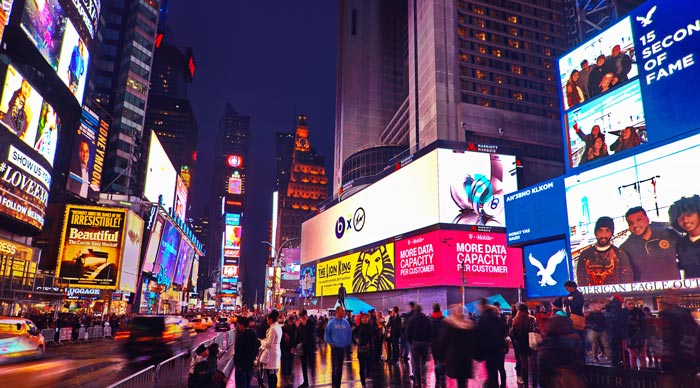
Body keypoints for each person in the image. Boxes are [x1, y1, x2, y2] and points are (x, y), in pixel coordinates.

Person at [620, 206, 681, 282]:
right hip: (645, 293)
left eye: (639, 220)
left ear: (647, 219)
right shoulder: (625, 248)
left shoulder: (668, 234)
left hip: (673, 290)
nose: (635, 225)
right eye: (631, 223)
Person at [576, 216, 634, 286]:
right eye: (600, 230)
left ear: (612, 233)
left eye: (607, 230)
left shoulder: (620, 255)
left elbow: (627, 282)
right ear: (595, 233)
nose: (603, 235)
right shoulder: (585, 255)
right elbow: (581, 282)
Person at [538, 315, 585, 388]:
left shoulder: (550, 344)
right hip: (571, 381)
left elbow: (544, 369)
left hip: (556, 382)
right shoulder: (574, 340)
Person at [476, 299, 508, 388]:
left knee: (492, 372)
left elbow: (479, 335)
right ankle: (503, 384)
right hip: (500, 348)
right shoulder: (498, 318)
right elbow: (504, 329)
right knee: (501, 368)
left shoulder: (483, 319)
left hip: (489, 350)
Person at [442, 306, 475, 388]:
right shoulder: (469, 325)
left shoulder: (451, 326)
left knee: (460, 379)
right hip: (466, 357)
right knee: (463, 381)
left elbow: (444, 341)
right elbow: (474, 342)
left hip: (455, 357)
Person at [669, 195, 700, 278]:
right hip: (692, 290)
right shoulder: (681, 244)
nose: (685, 220)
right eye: (680, 217)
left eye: (689, 215)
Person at [510, 304, 539, 388]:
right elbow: (536, 330)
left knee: (524, 366)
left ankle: (526, 384)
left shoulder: (515, 320)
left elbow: (513, 334)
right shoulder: (532, 319)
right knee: (534, 366)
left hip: (521, 346)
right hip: (532, 344)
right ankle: (534, 384)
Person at [325, 306, 352, 388]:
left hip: (342, 348)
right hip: (335, 348)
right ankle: (334, 384)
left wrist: (347, 343)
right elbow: (326, 334)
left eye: (343, 311)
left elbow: (349, 334)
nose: (344, 312)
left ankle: (338, 385)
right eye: (342, 311)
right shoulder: (331, 323)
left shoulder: (346, 323)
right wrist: (331, 343)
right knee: (335, 367)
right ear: (337, 312)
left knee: (340, 368)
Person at [406, 304, 431, 388]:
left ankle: (418, 381)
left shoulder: (411, 319)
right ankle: (423, 376)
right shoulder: (426, 318)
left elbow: (408, 331)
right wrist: (428, 341)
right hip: (424, 343)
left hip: (415, 343)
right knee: (423, 361)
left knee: (416, 362)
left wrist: (410, 341)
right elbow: (429, 330)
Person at [234, 317, 260, 388]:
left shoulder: (241, 337)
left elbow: (238, 352)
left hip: (241, 366)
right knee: (247, 383)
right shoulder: (254, 334)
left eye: (239, 325)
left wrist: (238, 365)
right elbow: (257, 346)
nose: (238, 327)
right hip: (250, 364)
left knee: (241, 384)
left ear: (241, 325)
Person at [353, 313, 378, 387]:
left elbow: (376, 334)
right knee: (362, 366)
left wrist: (371, 341)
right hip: (361, 349)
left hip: (370, 348)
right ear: (361, 319)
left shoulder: (372, 327)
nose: (365, 319)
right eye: (363, 318)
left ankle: (367, 375)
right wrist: (356, 342)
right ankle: (363, 382)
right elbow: (353, 334)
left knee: (369, 365)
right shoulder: (358, 327)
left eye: (366, 318)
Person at [623, 299, 647, 369]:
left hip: (639, 335)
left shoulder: (639, 311)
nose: (631, 305)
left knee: (642, 355)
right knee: (633, 355)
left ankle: (643, 370)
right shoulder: (624, 313)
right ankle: (634, 370)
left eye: (632, 304)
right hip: (630, 335)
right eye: (629, 304)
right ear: (626, 304)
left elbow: (643, 323)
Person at [262, 310, 282, 388]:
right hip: (276, 351)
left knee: (270, 374)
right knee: (273, 373)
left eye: (268, 319)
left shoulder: (273, 328)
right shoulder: (278, 327)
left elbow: (269, 344)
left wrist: (262, 342)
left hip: (272, 353)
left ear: (271, 319)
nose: (267, 321)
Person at [605, 295, 626, 368]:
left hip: (610, 332)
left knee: (613, 348)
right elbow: (620, 321)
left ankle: (614, 363)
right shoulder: (618, 309)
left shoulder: (607, 309)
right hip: (617, 331)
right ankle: (620, 362)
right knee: (619, 348)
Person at [296, 310, 316, 388]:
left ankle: (313, 379)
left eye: (301, 316)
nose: (301, 318)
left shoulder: (311, 323)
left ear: (305, 316)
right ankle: (306, 381)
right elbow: (298, 335)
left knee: (311, 364)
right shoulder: (301, 325)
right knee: (303, 365)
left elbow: (312, 334)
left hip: (310, 346)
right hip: (303, 347)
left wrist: (305, 324)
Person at [429, 303, 447, 388]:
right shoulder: (444, 320)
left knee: (436, 362)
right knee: (443, 362)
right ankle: (443, 378)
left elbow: (428, 334)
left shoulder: (430, 320)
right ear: (440, 309)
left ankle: (437, 380)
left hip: (434, 345)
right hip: (443, 345)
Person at [280, 315, 297, 386]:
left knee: (290, 363)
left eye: (292, 320)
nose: (291, 322)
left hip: (291, 347)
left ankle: (287, 377)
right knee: (285, 363)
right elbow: (280, 339)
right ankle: (285, 377)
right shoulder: (283, 328)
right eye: (290, 320)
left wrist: (294, 347)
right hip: (284, 348)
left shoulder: (295, 328)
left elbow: (296, 338)